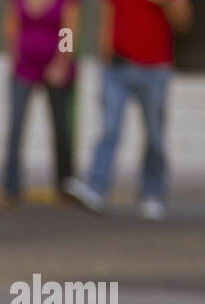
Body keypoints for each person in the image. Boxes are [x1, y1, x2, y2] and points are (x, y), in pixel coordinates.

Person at [64, 0, 192, 219]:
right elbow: (108, 12)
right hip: (117, 67)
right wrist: (104, 49)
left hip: (155, 67)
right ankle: (96, 189)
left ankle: (152, 193)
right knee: (109, 130)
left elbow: (184, 23)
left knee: (155, 135)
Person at [1, 0, 80, 207]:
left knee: (61, 129)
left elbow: (69, 30)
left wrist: (62, 63)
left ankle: (65, 189)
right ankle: (10, 188)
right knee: (15, 126)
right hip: (25, 68)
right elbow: (12, 25)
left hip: (56, 68)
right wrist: (15, 56)